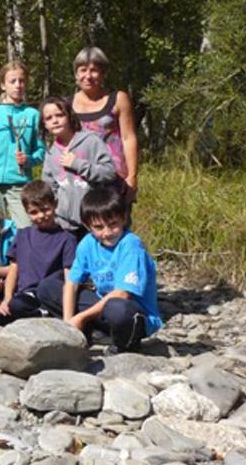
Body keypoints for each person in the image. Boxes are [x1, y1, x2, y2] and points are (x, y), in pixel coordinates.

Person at [37, 186, 163, 353]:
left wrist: (81, 316)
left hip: (133, 314)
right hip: (103, 308)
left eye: (113, 224)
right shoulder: (88, 243)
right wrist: (69, 322)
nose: (107, 232)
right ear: (88, 226)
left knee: (118, 307)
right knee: (47, 288)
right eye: (99, 227)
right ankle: (83, 333)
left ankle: (125, 345)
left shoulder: (131, 245)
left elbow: (123, 294)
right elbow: (72, 284)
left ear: (124, 218)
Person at [0, 181, 77, 329]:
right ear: (26, 211)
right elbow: (13, 269)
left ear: (55, 204)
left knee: (17, 306)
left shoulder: (67, 239)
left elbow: (69, 278)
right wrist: (7, 298)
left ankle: (47, 316)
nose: (41, 215)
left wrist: (69, 317)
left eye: (45, 209)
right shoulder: (23, 235)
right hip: (20, 295)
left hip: (43, 296)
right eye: (34, 212)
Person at [0, 61, 44, 229]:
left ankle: (20, 256)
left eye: (22, 81)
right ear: (3, 85)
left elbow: (41, 150)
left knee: (25, 228)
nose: (18, 85)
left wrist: (29, 159)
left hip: (19, 182)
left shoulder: (33, 115)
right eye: (13, 81)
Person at [40, 97, 118, 238]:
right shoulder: (51, 153)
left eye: (59, 115)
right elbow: (50, 188)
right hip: (65, 225)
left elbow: (109, 172)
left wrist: (78, 164)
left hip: (96, 221)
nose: (55, 120)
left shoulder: (90, 141)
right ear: (44, 124)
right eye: (49, 118)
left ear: (69, 116)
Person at [70, 46, 139, 202]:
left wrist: (132, 176)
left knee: (116, 224)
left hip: (114, 178)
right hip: (79, 177)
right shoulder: (68, 104)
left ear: (103, 74)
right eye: (83, 70)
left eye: (94, 70)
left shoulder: (118, 98)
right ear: (76, 73)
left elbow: (128, 138)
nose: (88, 76)